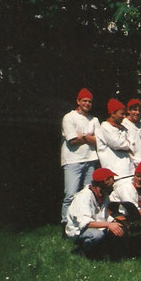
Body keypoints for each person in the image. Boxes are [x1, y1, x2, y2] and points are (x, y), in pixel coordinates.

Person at [60, 88, 101, 227]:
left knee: (87, 194)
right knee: (71, 194)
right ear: (78, 101)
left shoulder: (94, 119)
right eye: (84, 101)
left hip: (90, 159)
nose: (87, 104)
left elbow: (100, 140)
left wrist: (82, 135)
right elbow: (72, 140)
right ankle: (66, 225)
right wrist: (90, 136)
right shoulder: (69, 117)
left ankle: (85, 223)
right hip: (73, 160)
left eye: (90, 102)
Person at [65, 168, 124, 253]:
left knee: (119, 226)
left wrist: (115, 220)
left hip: (96, 226)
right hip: (78, 232)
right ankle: (82, 251)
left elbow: (105, 215)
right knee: (97, 235)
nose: (113, 183)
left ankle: (104, 250)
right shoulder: (84, 197)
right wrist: (109, 225)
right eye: (112, 179)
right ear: (105, 181)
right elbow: (86, 224)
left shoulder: (105, 195)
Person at [96, 98, 134, 180]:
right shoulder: (105, 126)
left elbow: (133, 140)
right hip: (115, 171)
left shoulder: (123, 128)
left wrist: (128, 143)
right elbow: (117, 144)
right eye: (122, 114)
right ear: (113, 114)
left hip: (128, 170)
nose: (124, 117)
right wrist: (129, 144)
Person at [122, 98, 141, 167]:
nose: (137, 112)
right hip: (132, 163)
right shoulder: (124, 124)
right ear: (128, 110)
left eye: (139, 110)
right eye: (134, 110)